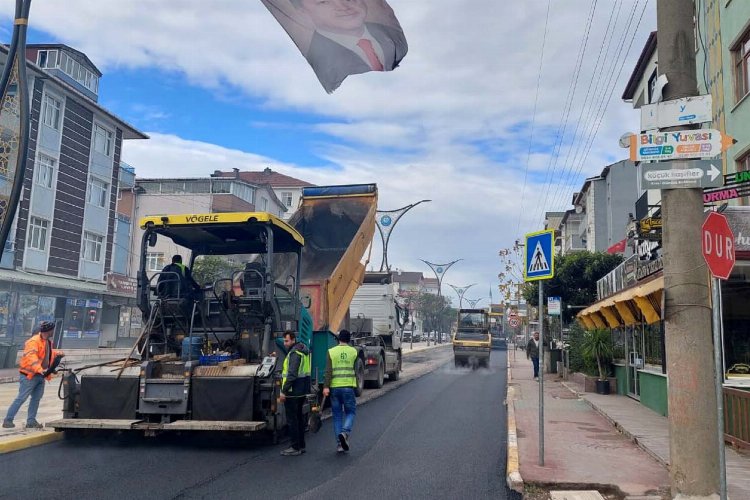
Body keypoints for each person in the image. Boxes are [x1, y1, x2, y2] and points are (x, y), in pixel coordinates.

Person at [289, 0, 408, 93]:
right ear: (302, 13)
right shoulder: (316, 60)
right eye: (324, 1)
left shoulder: (389, 34)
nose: (343, 6)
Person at [3, 321, 64, 429]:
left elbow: (46, 355)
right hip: (29, 375)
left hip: (41, 375)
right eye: (52, 330)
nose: (53, 332)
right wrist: (40, 369)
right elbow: (32, 357)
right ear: (49, 331)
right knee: (21, 398)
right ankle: (8, 420)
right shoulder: (33, 341)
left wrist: (57, 354)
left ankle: (31, 421)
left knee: (36, 399)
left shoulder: (47, 342)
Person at [323, 329, 358, 453]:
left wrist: (326, 387)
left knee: (337, 416)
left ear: (338, 339)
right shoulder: (354, 352)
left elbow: (328, 371)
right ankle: (345, 432)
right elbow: (356, 370)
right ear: (349, 340)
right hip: (348, 387)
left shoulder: (331, 352)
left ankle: (339, 445)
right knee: (351, 412)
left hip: (334, 389)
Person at [279, 331, 311, 456]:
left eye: (286, 341)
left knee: (292, 420)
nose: (285, 343)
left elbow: (291, 375)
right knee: (298, 419)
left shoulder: (295, 354)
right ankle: (301, 445)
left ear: (293, 340)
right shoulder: (302, 351)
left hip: (292, 392)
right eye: (284, 341)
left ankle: (294, 447)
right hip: (301, 391)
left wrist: (283, 391)